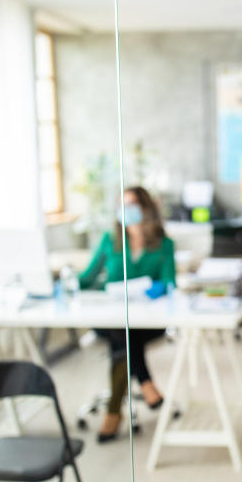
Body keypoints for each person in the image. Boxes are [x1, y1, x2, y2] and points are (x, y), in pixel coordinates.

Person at [78, 186, 176, 442]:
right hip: (112, 320)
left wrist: (159, 288)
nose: (126, 211)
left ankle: (113, 413)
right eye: (122, 205)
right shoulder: (110, 242)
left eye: (131, 204)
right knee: (121, 331)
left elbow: (169, 281)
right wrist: (62, 283)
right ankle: (147, 385)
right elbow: (87, 277)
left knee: (124, 336)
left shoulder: (165, 245)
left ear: (145, 208)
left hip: (148, 323)